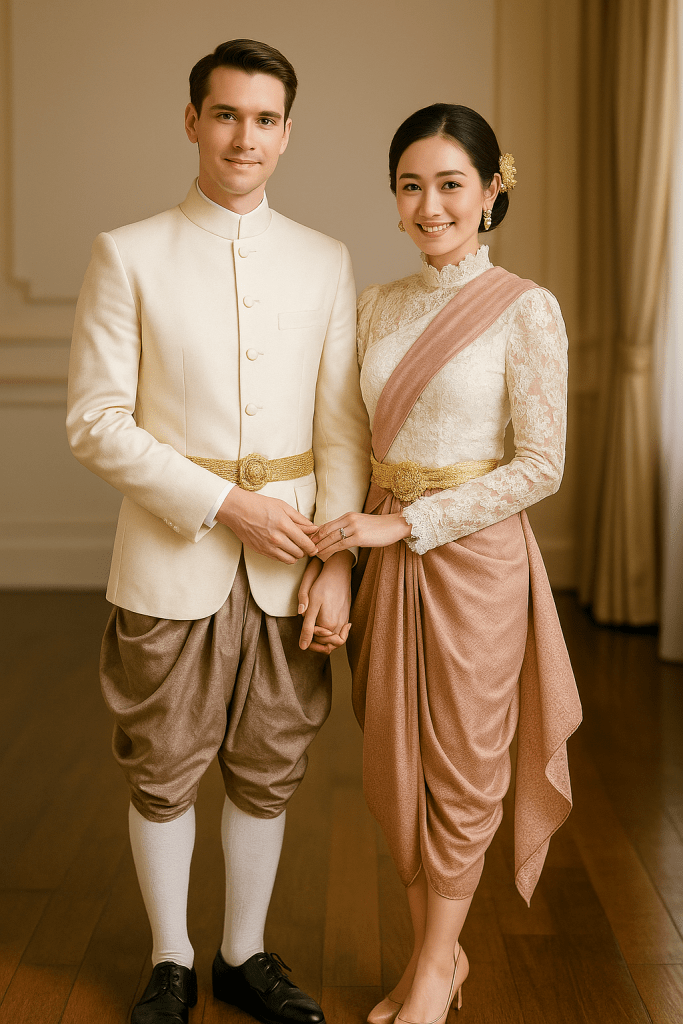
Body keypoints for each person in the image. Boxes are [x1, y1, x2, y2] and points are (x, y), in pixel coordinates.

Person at [66, 38, 369, 1024]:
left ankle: (243, 952)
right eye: (226, 114)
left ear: (288, 132)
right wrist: (226, 505)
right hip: (169, 555)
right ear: (192, 120)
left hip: (293, 569)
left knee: (269, 761)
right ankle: (170, 958)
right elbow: (95, 422)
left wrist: (334, 566)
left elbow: (341, 429)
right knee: (162, 765)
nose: (246, 135)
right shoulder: (128, 252)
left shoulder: (326, 260)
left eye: (265, 118)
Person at [309, 104, 582, 1022]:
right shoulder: (377, 305)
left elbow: (539, 465)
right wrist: (346, 547)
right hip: (383, 553)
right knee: (395, 762)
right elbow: (343, 439)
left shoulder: (526, 309)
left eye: (450, 184)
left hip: (477, 560)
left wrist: (407, 526)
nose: (430, 205)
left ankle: (431, 969)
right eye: (410, 185)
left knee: (463, 764)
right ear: (393, 199)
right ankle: (438, 958)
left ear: (491, 192)